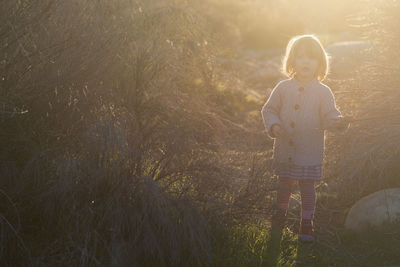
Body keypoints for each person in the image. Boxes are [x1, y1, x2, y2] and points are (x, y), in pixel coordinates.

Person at [261, 34, 352, 242]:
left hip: (309, 150)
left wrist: (339, 121)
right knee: (284, 184)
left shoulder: (323, 92)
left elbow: (330, 116)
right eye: (301, 57)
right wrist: (274, 125)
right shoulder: (283, 88)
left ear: (320, 63)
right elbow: (269, 110)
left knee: (307, 187)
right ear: (292, 60)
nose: (305, 62)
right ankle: (279, 217)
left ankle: (307, 222)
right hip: (285, 149)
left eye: (311, 58)